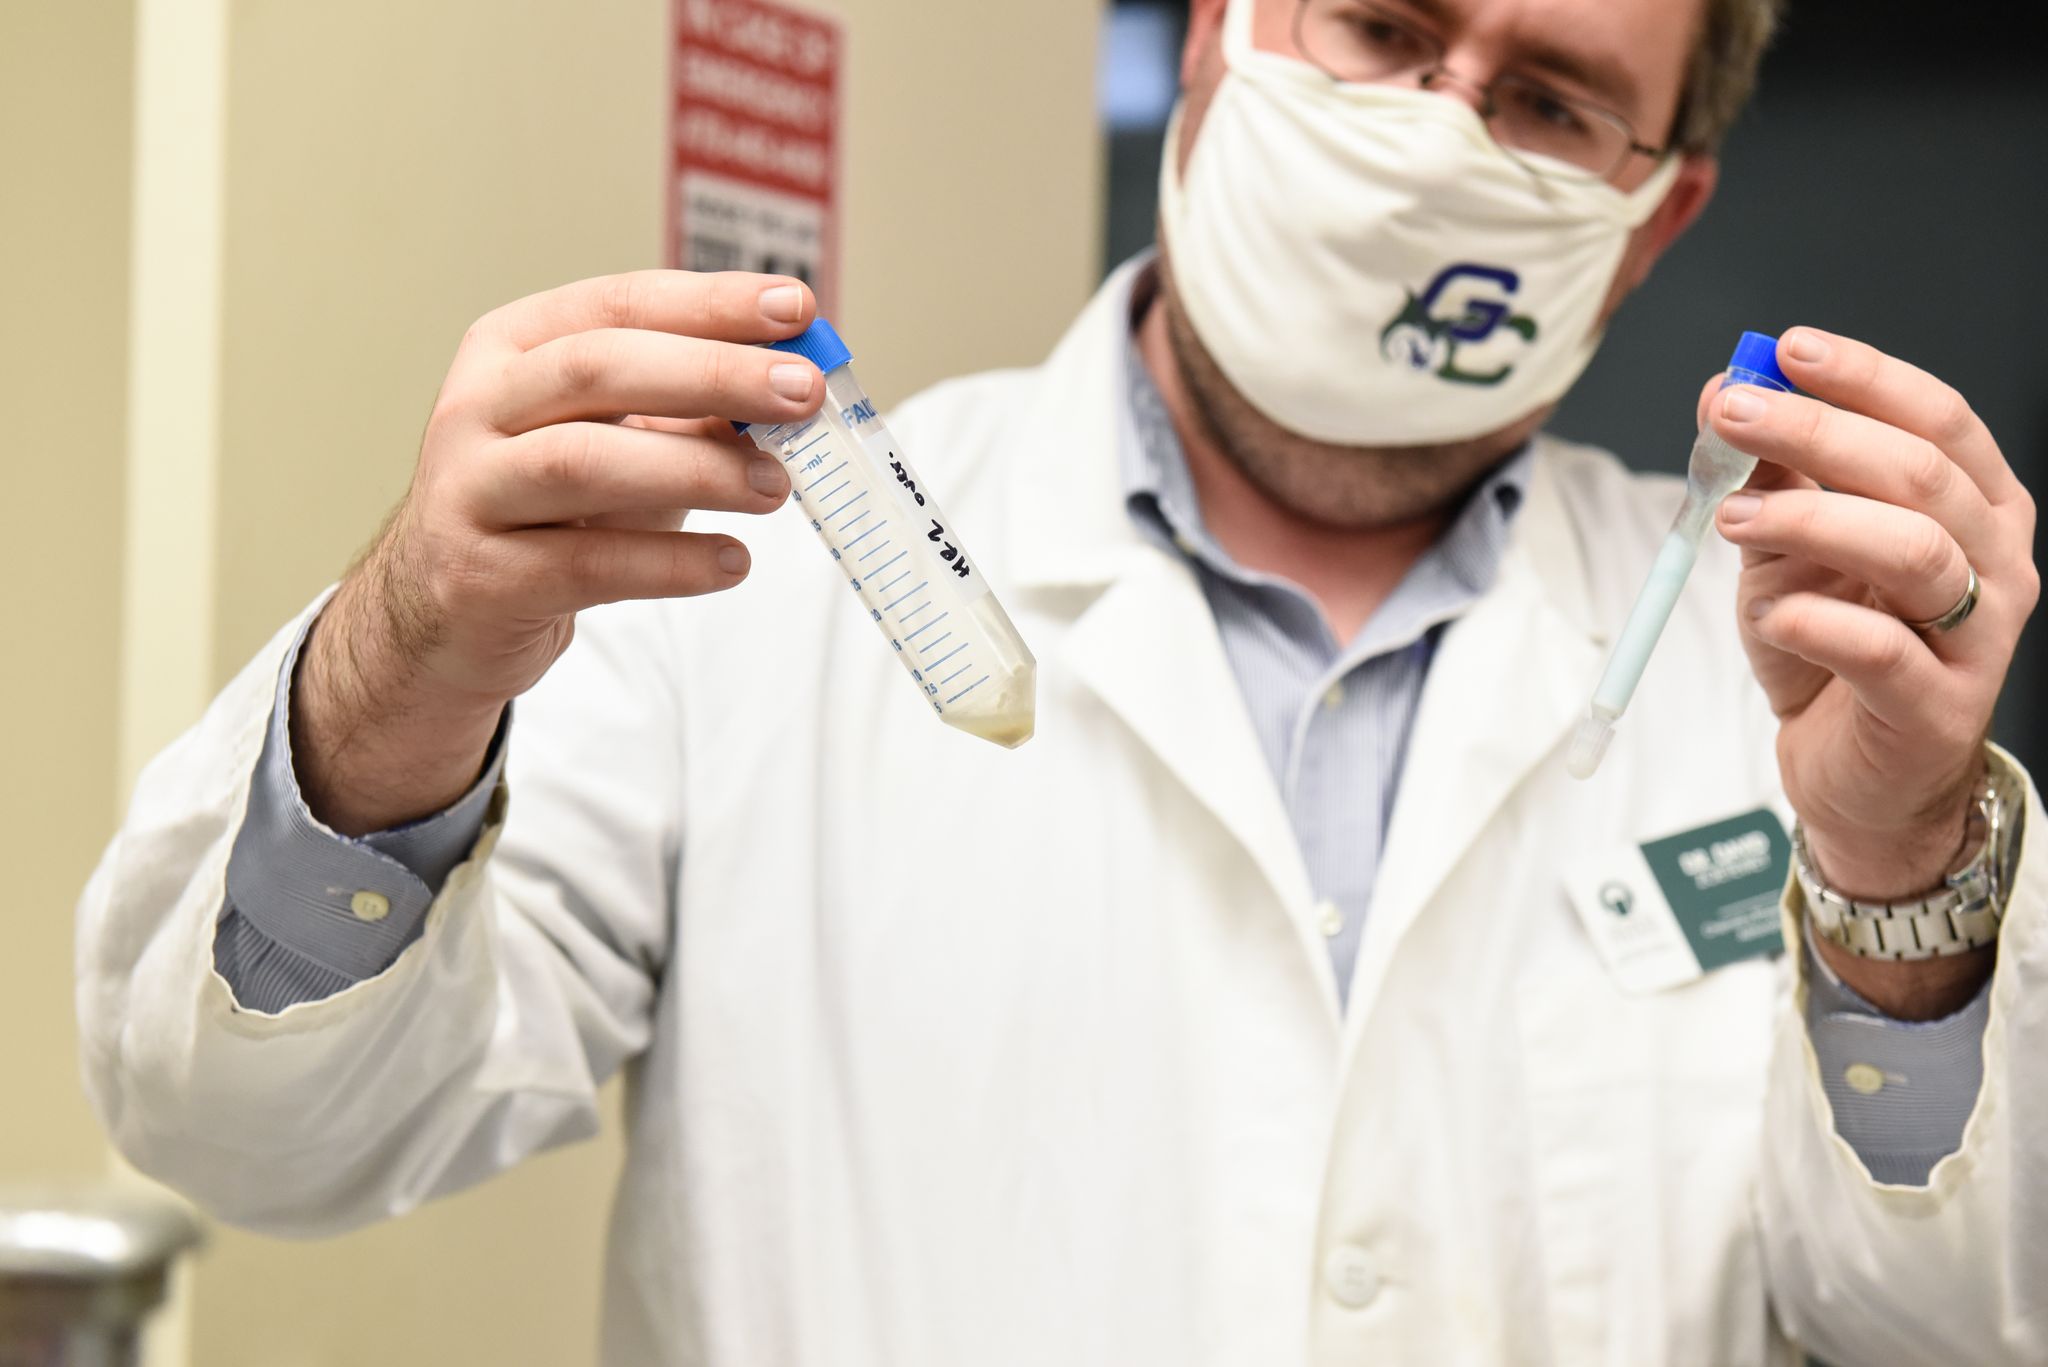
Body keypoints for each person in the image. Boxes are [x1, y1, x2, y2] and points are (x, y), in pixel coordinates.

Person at [77, 0, 2043, 1361]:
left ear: (1654, 217)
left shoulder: (1767, 654)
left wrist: (1897, 877)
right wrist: (405, 662)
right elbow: (258, 1130)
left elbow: (1960, 1325)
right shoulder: (765, 584)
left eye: (1546, 98)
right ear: (1217, 38)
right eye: (1377, 29)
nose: (1440, 129)